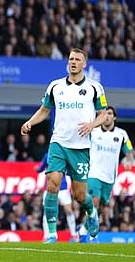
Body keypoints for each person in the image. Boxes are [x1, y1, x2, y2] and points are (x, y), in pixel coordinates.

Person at [21, 48, 107, 243]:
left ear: (84, 64)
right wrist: (30, 122)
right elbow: (45, 109)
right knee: (52, 183)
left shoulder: (95, 88)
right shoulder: (55, 86)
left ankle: (91, 213)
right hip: (58, 142)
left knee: (79, 195)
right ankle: (51, 233)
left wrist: (91, 125)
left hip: (81, 147)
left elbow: (102, 114)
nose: (73, 62)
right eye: (71, 59)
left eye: (77, 59)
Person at [80, 105, 133, 242]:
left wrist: (129, 158)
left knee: (102, 207)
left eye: (110, 114)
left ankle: (83, 229)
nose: (107, 116)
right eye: (105, 113)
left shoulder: (121, 134)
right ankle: (93, 236)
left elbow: (129, 151)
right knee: (95, 202)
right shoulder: (94, 130)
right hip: (94, 173)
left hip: (110, 177)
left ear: (114, 117)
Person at [36, 151, 78, 242]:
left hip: (62, 188)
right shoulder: (47, 155)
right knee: (47, 211)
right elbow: (41, 168)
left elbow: (70, 169)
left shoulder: (65, 153)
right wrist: (37, 169)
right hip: (50, 188)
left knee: (68, 210)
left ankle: (74, 234)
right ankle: (46, 235)